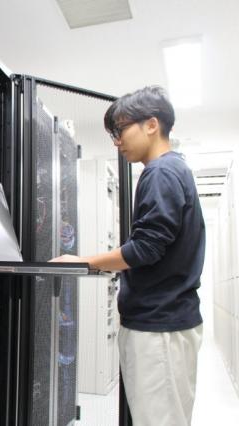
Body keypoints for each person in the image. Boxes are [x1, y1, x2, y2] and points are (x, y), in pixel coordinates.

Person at [51, 86, 205, 426]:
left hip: (159, 326)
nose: (116, 142)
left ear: (151, 124)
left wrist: (84, 262)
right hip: (166, 321)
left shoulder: (161, 172)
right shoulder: (172, 169)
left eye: (119, 130)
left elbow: (146, 248)